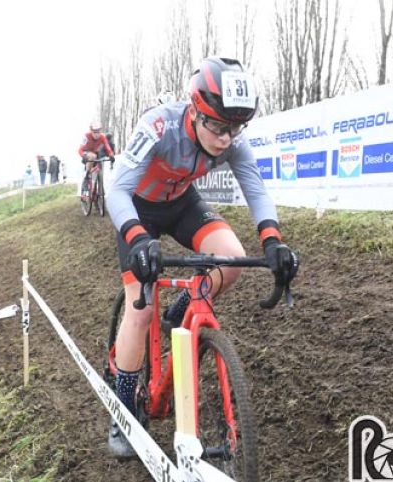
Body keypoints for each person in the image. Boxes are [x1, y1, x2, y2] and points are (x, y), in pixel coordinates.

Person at [104, 57, 298, 457]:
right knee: (140, 310)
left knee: (232, 258)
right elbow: (117, 190)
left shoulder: (232, 139)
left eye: (235, 128)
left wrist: (273, 240)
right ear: (194, 110)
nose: (227, 138)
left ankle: (181, 309)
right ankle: (123, 409)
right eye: (218, 126)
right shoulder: (159, 126)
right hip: (137, 207)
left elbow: (256, 190)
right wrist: (137, 238)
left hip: (180, 204)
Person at [78, 121, 115, 194]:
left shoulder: (102, 137)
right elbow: (80, 150)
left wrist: (111, 155)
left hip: (96, 155)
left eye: (98, 131)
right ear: (91, 131)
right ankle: (87, 177)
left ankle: (100, 192)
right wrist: (83, 155)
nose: (97, 134)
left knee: (100, 169)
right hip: (86, 154)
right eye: (94, 132)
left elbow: (108, 147)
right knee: (92, 156)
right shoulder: (86, 136)